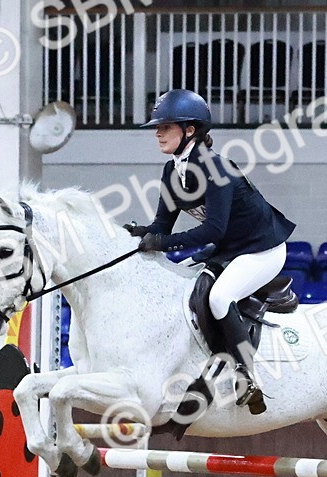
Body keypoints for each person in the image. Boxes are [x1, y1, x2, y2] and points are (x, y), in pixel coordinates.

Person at [124, 89, 295, 414]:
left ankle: (246, 375)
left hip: (263, 249)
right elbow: (162, 225)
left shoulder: (216, 168)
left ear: (190, 130)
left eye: (166, 126)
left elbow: (212, 230)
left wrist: (160, 243)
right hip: (228, 249)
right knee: (180, 284)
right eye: (158, 127)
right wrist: (138, 235)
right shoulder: (172, 171)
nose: (158, 133)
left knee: (219, 298)